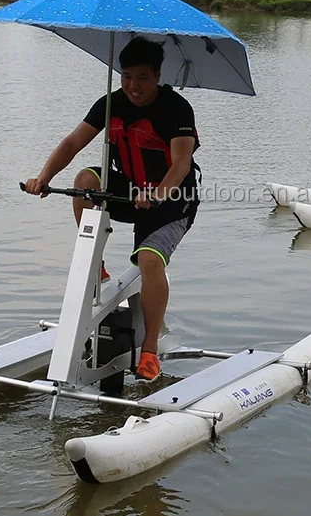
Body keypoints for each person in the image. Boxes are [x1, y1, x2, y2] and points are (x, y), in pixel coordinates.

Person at [22, 37, 199, 381]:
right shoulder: (110, 103)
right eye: (127, 76)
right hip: (129, 190)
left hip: (173, 198)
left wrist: (158, 193)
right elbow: (73, 142)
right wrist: (43, 177)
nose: (133, 86)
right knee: (85, 179)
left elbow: (180, 164)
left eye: (142, 78)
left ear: (158, 75)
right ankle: (97, 268)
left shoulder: (177, 109)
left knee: (148, 259)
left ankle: (148, 350)